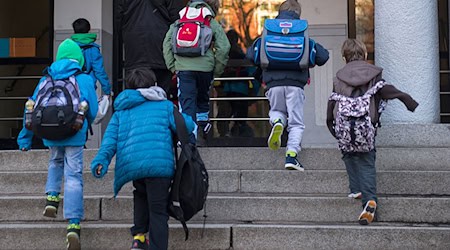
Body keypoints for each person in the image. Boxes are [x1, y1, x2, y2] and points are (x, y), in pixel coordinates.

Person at [90, 67, 195, 250]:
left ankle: (138, 238)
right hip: (159, 166)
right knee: (158, 211)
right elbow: (186, 125)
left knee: (140, 193)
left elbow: (110, 140)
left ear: (130, 88)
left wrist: (101, 160)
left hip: (133, 165)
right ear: (154, 84)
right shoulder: (165, 106)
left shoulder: (122, 110)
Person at [326, 38, 419, 225]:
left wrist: (332, 127)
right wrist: (407, 100)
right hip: (366, 127)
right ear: (365, 54)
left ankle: (355, 189)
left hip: (344, 128)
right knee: (367, 161)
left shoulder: (338, 78)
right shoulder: (374, 75)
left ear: (344, 57)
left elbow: (332, 105)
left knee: (349, 155)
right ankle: (369, 201)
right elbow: (387, 91)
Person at [17, 39, 98, 250]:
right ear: (79, 58)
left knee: (55, 162)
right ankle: (73, 224)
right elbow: (93, 111)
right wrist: (83, 120)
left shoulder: (46, 77)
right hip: (74, 133)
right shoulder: (84, 78)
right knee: (73, 175)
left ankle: (52, 198)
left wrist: (25, 139)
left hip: (49, 132)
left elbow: (31, 108)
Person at [263, 0, 329, 170]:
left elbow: (251, 54)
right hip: (295, 85)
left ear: (279, 12)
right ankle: (291, 157)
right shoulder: (302, 34)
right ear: (298, 14)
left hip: (273, 84)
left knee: (277, 110)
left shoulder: (268, 32)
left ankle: (277, 121)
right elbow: (323, 57)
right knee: (296, 123)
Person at [163, 0, 231, 144]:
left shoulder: (180, 21)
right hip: (206, 69)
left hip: (184, 69)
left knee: (186, 102)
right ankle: (202, 124)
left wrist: (173, 67)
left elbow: (166, 44)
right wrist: (217, 70)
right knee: (202, 99)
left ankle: (189, 138)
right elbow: (224, 47)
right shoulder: (210, 22)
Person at [116, 0, 184, 95]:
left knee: (135, 93)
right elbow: (177, 18)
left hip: (134, 49)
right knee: (161, 93)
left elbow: (118, 19)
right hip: (160, 47)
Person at [217, 29, 259, 137]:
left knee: (224, 116)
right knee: (240, 118)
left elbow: (218, 71)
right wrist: (254, 91)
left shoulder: (223, 55)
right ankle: (239, 136)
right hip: (241, 90)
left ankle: (225, 136)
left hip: (227, 90)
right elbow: (252, 73)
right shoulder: (242, 55)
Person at [71, 18, 112, 96]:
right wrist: (107, 90)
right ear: (89, 29)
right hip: (88, 88)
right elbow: (99, 71)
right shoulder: (93, 49)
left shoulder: (69, 47)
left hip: (71, 87)